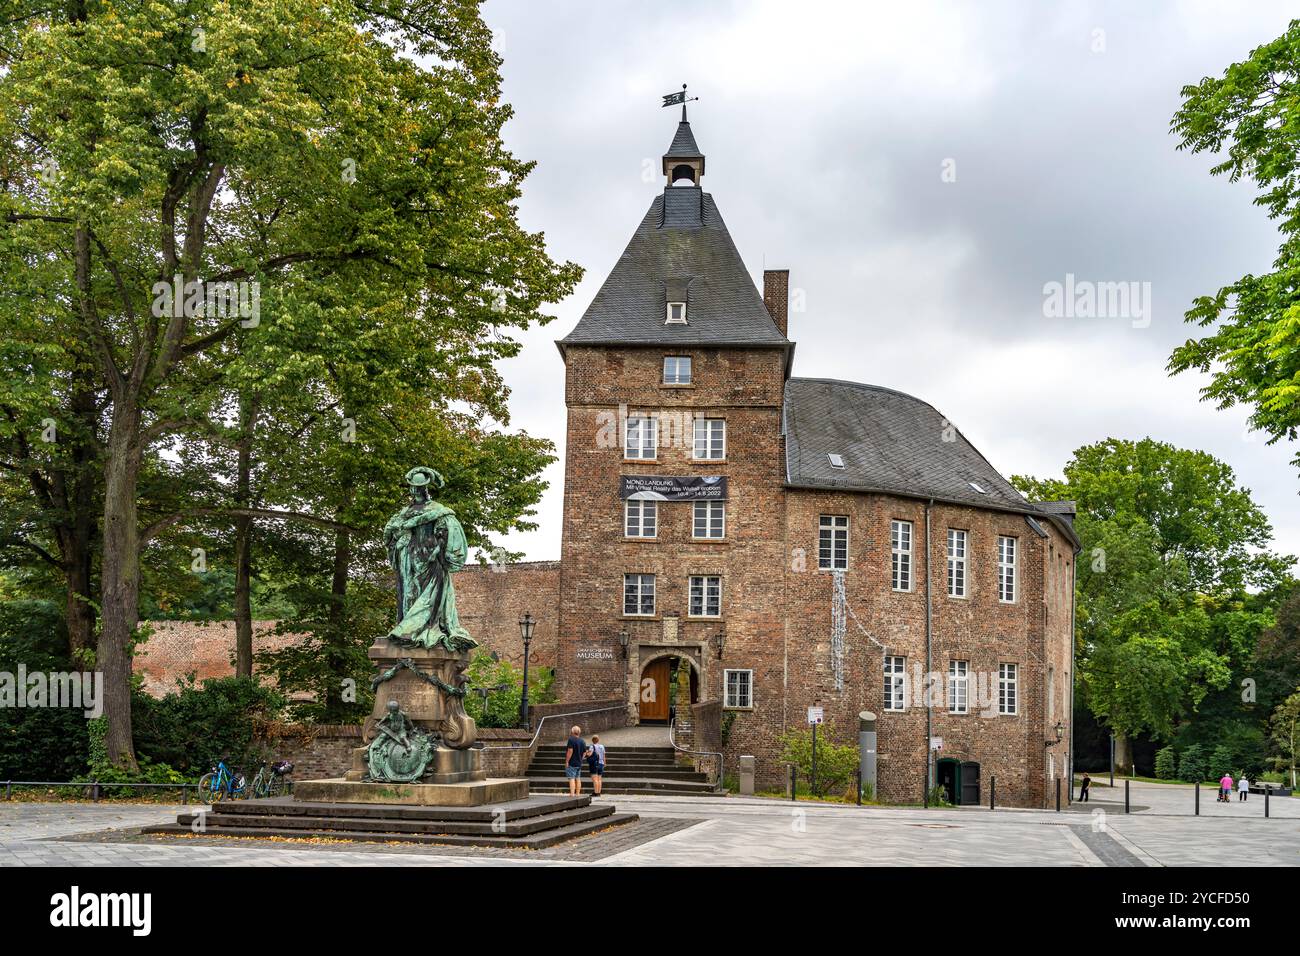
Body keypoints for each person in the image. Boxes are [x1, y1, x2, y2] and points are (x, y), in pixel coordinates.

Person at [564, 725, 586, 796]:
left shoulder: (571, 740)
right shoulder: (582, 741)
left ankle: (572, 794)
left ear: (572, 731)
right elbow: (585, 752)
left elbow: (570, 751)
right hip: (579, 763)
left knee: (571, 778)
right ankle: (578, 793)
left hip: (572, 762)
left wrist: (567, 761)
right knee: (578, 778)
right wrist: (581, 758)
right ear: (579, 732)